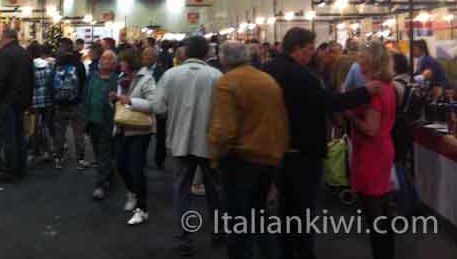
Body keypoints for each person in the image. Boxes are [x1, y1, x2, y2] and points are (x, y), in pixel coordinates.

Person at [264, 28, 382, 259]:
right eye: (309, 49)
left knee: (286, 206)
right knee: (302, 207)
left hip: (278, 147)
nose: (312, 54)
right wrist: (364, 93)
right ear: (296, 48)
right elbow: (326, 102)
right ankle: (304, 252)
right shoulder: (299, 74)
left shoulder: (269, 69)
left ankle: (286, 250)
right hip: (303, 150)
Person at [209, 42, 289, 259]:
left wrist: (215, 156)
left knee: (237, 222)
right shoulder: (268, 80)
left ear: (224, 59)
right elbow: (281, 121)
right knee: (261, 217)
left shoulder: (227, 83)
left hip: (239, 160)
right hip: (268, 158)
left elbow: (223, 129)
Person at [153, 36, 223, 255]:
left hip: (180, 141)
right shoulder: (216, 76)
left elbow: (158, 108)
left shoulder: (170, 75)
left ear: (185, 52)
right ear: (206, 53)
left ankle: (183, 239)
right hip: (209, 143)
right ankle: (218, 234)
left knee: (182, 192)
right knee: (215, 191)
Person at [345, 42, 396, 259]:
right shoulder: (386, 87)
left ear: (373, 61)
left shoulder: (375, 92)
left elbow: (371, 129)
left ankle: (381, 254)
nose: (358, 59)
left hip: (371, 152)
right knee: (382, 207)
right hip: (380, 149)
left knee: (375, 211)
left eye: (363, 56)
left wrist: (349, 115)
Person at [113, 49, 156, 225]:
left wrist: (130, 101)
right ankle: (132, 192)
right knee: (121, 166)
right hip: (123, 127)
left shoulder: (146, 79)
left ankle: (142, 208)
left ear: (130, 62)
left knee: (136, 169)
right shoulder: (121, 79)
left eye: (122, 61)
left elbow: (154, 104)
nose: (120, 64)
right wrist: (115, 99)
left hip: (139, 130)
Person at [0, 29, 34, 181]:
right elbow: (31, 80)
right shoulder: (25, 54)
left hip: (6, 101)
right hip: (21, 102)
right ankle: (20, 167)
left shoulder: (4, 55)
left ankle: (10, 170)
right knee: (19, 135)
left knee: (9, 137)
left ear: (5, 38)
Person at [83, 50, 118, 200]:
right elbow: (86, 95)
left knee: (104, 151)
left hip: (108, 121)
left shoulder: (117, 80)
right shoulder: (92, 76)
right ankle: (108, 172)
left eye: (109, 59)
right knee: (98, 151)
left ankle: (100, 185)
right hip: (92, 120)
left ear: (114, 63)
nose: (105, 60)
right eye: (103, 57)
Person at [52, 37, 89, 170]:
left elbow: (52, 83)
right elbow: (84, 82)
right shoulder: (78, 64)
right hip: (76, 103)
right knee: (78, 133)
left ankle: (58, 158)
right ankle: (80, 159)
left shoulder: (57, 63)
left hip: (60, 103)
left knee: (59, 132)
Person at [27, 41, 54, 166]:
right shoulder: (48, 65)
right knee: (44, 126)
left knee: (33, 128)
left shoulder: (29, 66)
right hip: (47, 100)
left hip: (34, 101)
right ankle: (48, 151)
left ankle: (35, 152)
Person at [142, 46, 166, 169]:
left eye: (148, 55)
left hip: (157, 107)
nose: (145, 57)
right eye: (144, 54)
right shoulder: (139, 70)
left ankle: (160, 160)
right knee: (142, 135)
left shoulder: (162, 72)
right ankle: (141, 158)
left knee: (160, 137)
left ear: (155, 58)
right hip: (142, 107)